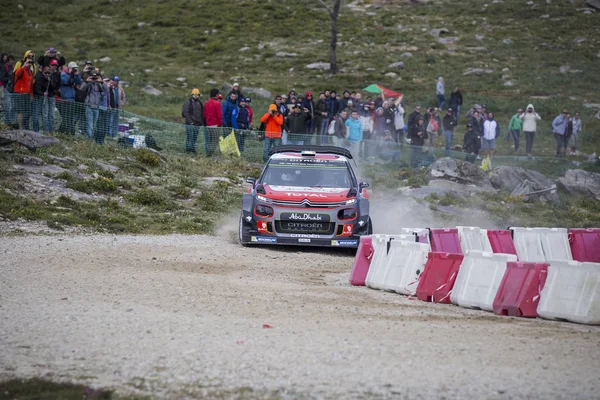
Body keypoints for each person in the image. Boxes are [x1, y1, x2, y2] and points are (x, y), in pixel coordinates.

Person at [80, 72, 108, 143]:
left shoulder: (99, 85)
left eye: (95, 77)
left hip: (96, 107)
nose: (94, 78)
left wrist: (102, 82)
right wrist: (86, 81)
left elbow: (107, 91)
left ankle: (92, 138)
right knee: (90, 124)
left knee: (94, 125)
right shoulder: (88, 84)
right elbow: (81, 89)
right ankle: (90, 139)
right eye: (93, 77)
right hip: (89, 106)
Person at [32, 64, 59, 133]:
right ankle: (38, 130)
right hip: (38, 98)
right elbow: (36, 89)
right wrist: (42, 93)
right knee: (39, 114)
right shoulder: (39, 79)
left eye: (48, 73)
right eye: (46, 73)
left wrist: (51, 82)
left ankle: (48, 130)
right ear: (43, 73)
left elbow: (54, 88)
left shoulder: (51, 79)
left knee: (48, 114)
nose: (47, 74)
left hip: (47, 98)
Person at [13, 57, 34, 130]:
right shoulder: (22, 70)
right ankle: (20, 127)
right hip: (20, 93)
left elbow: (31, 84)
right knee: (20, 111)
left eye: (31, 62)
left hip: (27, 94)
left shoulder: (30, 72)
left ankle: (24, 125)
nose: (29, 64)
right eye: (28, 62)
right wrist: (23, 66)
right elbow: (17, 74)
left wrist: (31, 94)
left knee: (28, 111)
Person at [182, 88, 204, 154]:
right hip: (190, 123)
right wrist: (190, 121)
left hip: (197, 123)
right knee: (190, 136)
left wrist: (201, 122)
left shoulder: (200, 102)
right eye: (194, 94)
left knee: (195, 137)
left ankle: (193, 150)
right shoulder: (188, 102)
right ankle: (188, 150)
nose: (196, 96)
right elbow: (185, 112)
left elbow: (202, 113)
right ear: (192, 94)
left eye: (197, 95)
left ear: (199, 95)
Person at [203, 88, 223, 156]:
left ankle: (208, 153)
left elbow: (204, 114)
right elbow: (219, 115)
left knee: (209, 139)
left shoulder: (206, 103)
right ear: (216, 95)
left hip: (208, 124)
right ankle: (210, 154)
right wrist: (220, 124)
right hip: (215, 124)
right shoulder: (217, 103)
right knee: (214, 140)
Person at [1, 55, 16, 126]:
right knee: (7, 105)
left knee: (13, 106)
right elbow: (1, 77)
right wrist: (8, 80)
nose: (12, 61)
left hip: (13, 89)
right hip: (6, 88)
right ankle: (7, 122)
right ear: (8, 61)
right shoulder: (5, 67)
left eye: (13, 60)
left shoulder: (13, 67)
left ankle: (11, 120)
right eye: (11, 60)